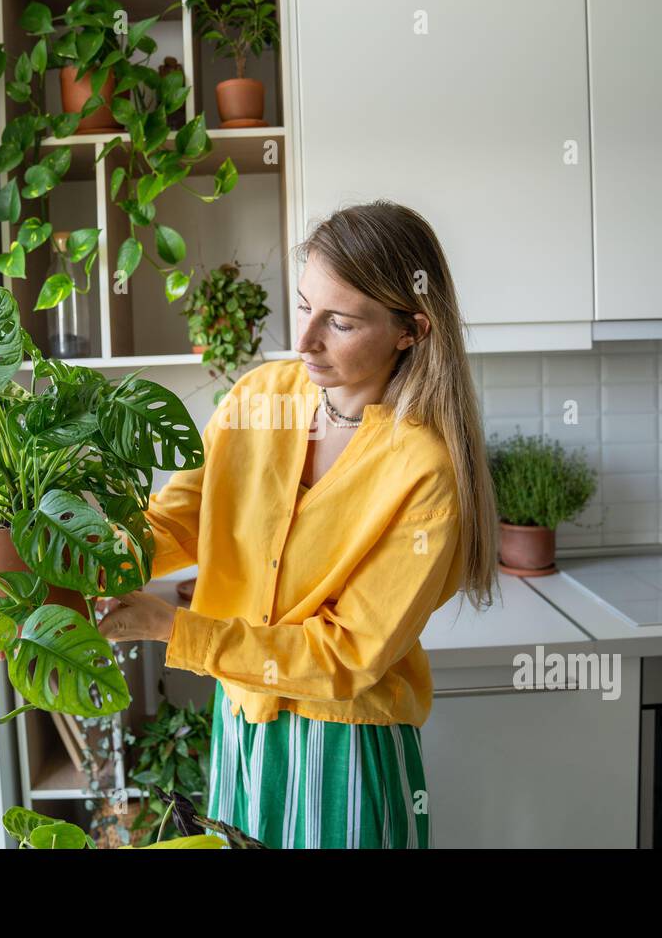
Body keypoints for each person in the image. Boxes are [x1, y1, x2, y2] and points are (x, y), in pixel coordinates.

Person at [96, 200, 501, 848]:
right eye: (304, 304)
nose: (305, 339)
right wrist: (97, 559)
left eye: (339, 323)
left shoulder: (423, 472)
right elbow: (186, 517)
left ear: (412, 330)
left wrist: (170, 628)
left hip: (341, 740)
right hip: (242, 721)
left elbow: (346, 657)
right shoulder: (262, 398)